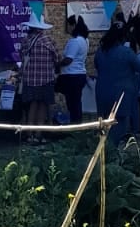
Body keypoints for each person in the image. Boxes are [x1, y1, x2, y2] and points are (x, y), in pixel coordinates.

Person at [94, 23, 140, 145]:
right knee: (119, 123)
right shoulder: (126, 52)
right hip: (121, 93)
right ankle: (115, 152)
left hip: (102, 91)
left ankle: (104, 148)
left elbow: (97, 66)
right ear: (123, 37)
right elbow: (139, 67)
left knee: (104, 122)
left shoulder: (100, 52)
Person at [17, 12, 59, 141]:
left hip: (29, 79)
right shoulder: (48, 41)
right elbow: (57, 58)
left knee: (32, 106)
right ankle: (38, 134)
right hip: (46, 78)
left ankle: (29, 134)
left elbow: (21, 58)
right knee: (42, 105)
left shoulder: (25, 41)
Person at [58, 15, 89, 125]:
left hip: (71, 75)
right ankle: (76, 124)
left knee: (72, 103)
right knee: (76, 102)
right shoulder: (85, 40)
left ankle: (75, 125)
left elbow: (68, 59)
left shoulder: (75, 41)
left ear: (73, 26)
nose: (68, 29)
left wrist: (58, 64)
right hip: (79, 74)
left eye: (68, 26)